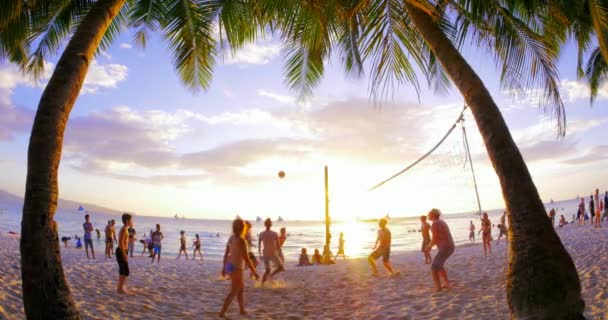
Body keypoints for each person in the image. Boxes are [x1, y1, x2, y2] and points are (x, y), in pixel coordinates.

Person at [219, 219, 259, 318]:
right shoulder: (241, 240)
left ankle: (242, 310)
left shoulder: (231, 238)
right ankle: (222, 312)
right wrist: (254, 272)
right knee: (234, 290)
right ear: (243, 228)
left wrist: (224, 268)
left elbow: (225, 254)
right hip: (236, 267)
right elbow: (246, 258)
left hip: (229, 265)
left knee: (240, 288)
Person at [426, 208, 455, 292]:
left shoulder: (435, 223)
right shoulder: (441, 221)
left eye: (429, 214)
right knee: (440, 265)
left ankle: (438, 287)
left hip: (446, 247)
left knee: (434, 267)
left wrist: (429, 247)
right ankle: (446, 283)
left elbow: (434, 238)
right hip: (449, 246)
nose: (428, 215)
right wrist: (430, 245)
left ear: (433, 215)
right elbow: (439, 237)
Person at [258, 218, 284, 284]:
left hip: (265, 254)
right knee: (281, 267)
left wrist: (260, 255)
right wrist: (281, 255)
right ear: (271, 224)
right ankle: (271, 276)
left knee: (267, 270)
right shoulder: (275, 234)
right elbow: (278, 246)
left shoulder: (261, 234)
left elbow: (259, 245)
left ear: (265, 225)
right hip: (273, 253)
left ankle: (262, 284)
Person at [116, 213, 134, 294]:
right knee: (125, 271)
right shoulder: (124, 229)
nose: (132, 221)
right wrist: (124, 254)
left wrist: (130, 240)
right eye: (131, 220)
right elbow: (120, 242)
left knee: (123, 270)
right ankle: (120, 288)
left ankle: (120, 287)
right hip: (121, 251)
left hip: (122, 251)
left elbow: (124, 241)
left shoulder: (125, 229)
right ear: (127, 221)